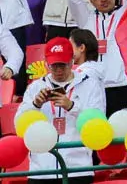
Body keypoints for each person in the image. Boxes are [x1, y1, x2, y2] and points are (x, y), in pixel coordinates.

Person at [16, 37, 104, 183]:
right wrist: (35, 104)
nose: (58, 70)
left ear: (72, 61)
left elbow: (98, 121)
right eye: (54, 65)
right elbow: (19, 123)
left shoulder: (90, 84)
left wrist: (72, 106)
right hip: (41, 170)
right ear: (46, 63)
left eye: (63, 65)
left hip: (78, 168)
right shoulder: (35, 87)